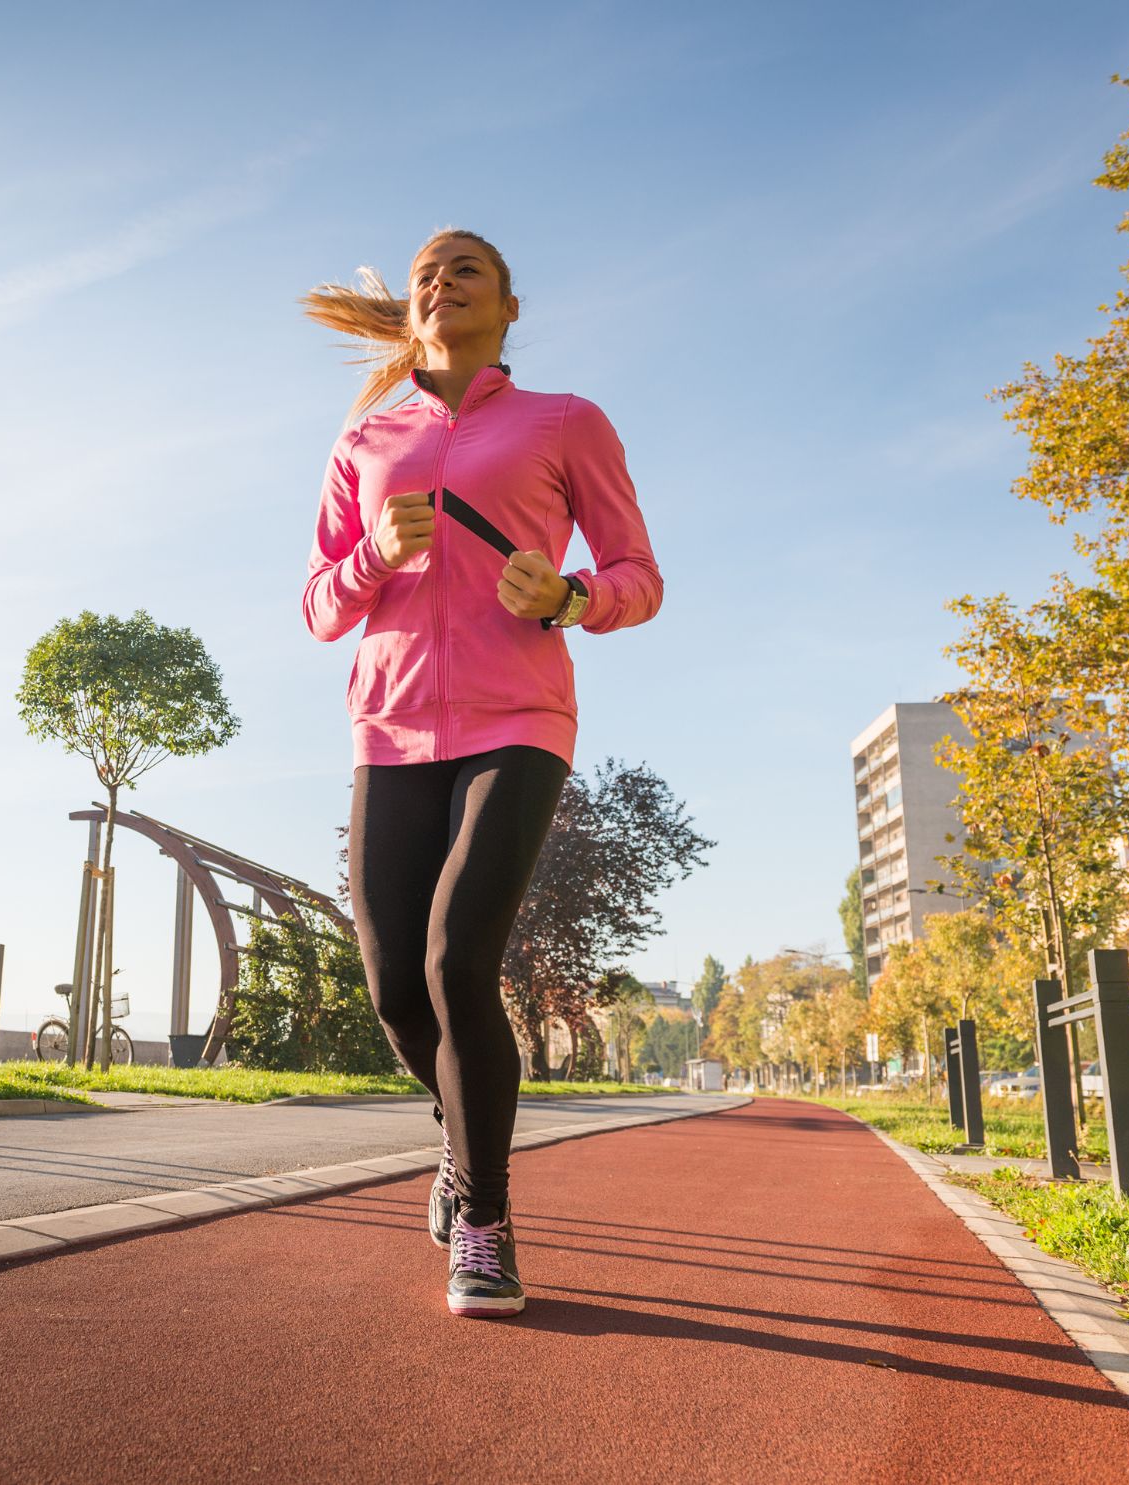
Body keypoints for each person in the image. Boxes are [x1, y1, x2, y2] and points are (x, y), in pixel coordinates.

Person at [299, 229, 663, 1317]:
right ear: (411, 314)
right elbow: (319, 605)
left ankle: (486, 1222)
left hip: (519, 723)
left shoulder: (564, 422)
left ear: (509, 306)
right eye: (425, 274)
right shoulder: (366, 440)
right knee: (395, 985)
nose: (441, 281)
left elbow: (640, 573)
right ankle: (458, 1135)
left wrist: (569, 599)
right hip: (391, 728)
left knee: (460, 958)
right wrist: (375, 556)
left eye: (465, 270)